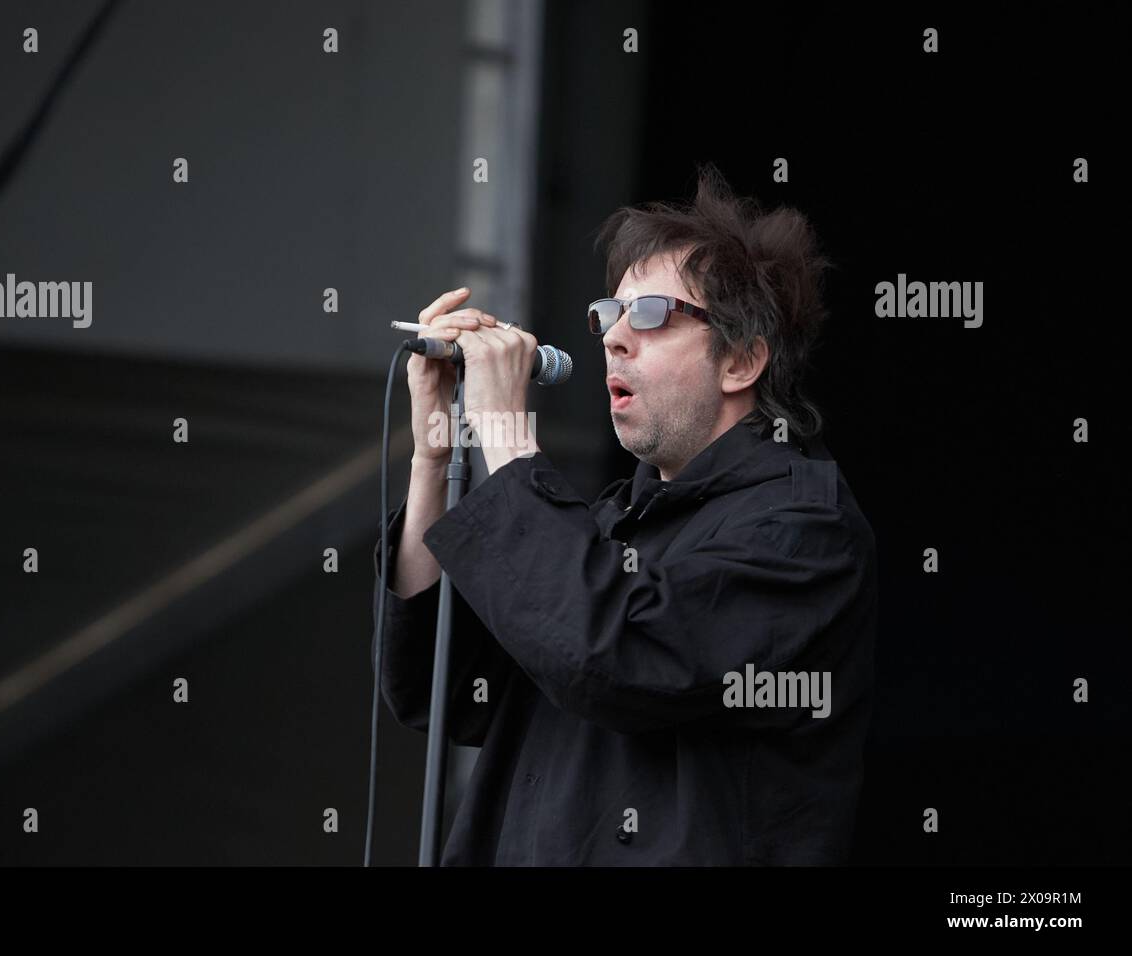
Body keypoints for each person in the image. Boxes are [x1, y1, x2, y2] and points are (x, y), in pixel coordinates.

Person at [372, 165, 878, 865]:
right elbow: (445, 693)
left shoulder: (802, 530)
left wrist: (510, 440)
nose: (613, 337)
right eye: (608, 315)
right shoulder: (610, 526)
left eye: (650, 315)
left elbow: (615, 657)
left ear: (740, 360)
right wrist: (435, 455)